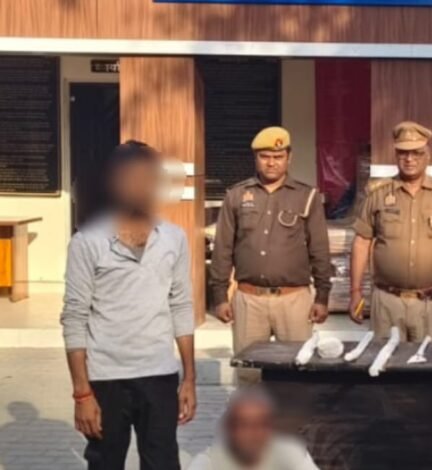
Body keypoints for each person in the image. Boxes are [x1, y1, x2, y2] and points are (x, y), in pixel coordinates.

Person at [61, 141, 196, 470]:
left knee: (163, 463)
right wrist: (82, 394)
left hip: (159, 375)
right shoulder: (87, 242)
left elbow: (181, 305)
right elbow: (74, 318)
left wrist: (189, 379)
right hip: (107, 379)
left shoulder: (173, 238)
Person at [210, 126, 332, 381]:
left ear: (289, 157)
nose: (271, 162)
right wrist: (220, 296)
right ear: (256, 158)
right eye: (265, 156)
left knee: (298, 374)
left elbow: (319, 250)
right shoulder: (236, 195)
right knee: (249, 375)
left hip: (293, 300)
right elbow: (223, 249)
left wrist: (322, 296)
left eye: (278, 156)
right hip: (249, 299)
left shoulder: (306, 196)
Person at [349, 121, 432, 341]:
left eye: (416, 153)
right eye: (403, 153)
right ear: (396, 155)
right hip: (387, 302)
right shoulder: (377, 194)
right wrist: (355, 292)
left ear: (427, 155)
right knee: (385, 360)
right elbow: (361, 242)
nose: (409, 159)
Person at [188, 387, 319, 470]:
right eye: (244, 425)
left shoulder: (291, 454)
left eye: (260, 425)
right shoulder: (209, 462)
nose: (252, 434)